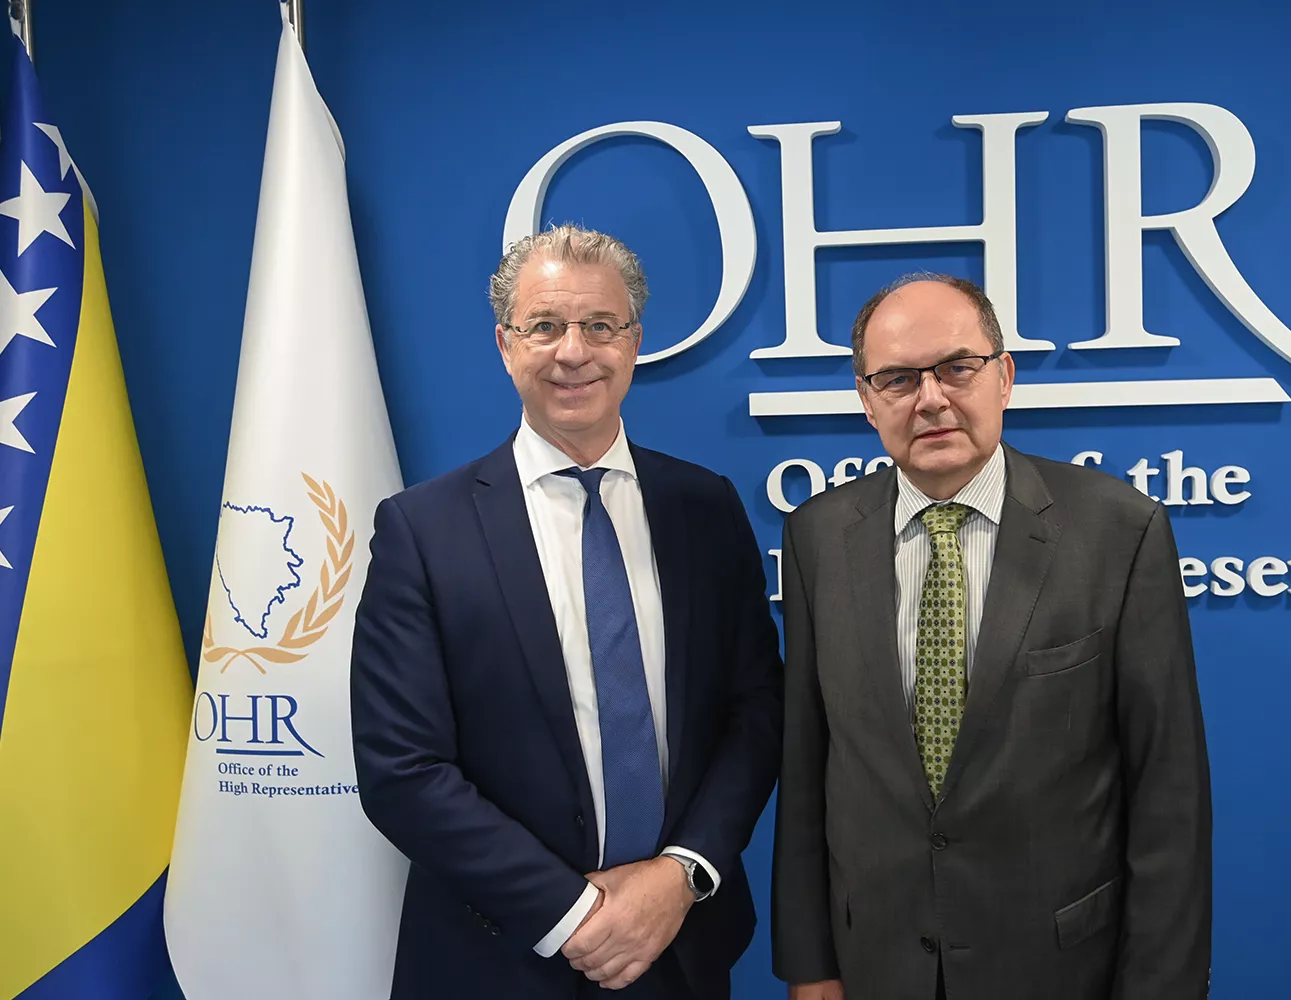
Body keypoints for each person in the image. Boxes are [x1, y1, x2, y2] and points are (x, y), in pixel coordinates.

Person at [351, 224, 782, 999]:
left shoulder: (706, 508)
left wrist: (681, 874)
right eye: (545, 326)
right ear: (505, 344)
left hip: (680, 949)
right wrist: (576, 915)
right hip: (499, 958)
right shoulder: (423, 530)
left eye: (600, 326)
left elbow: (755, 712)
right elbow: (402, 769)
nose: (573, 351)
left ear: (634, 343)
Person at [771, 273, 1212, 1000]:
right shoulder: (817, 537)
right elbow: (807, 763)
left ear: (1003, 376)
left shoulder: (1119, 531)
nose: (931, 398)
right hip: (876, 962)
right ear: (867, 400)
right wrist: (810, 964)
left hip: (1061, 966)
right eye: (898, 378)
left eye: (957, 368)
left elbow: (1169, 792)